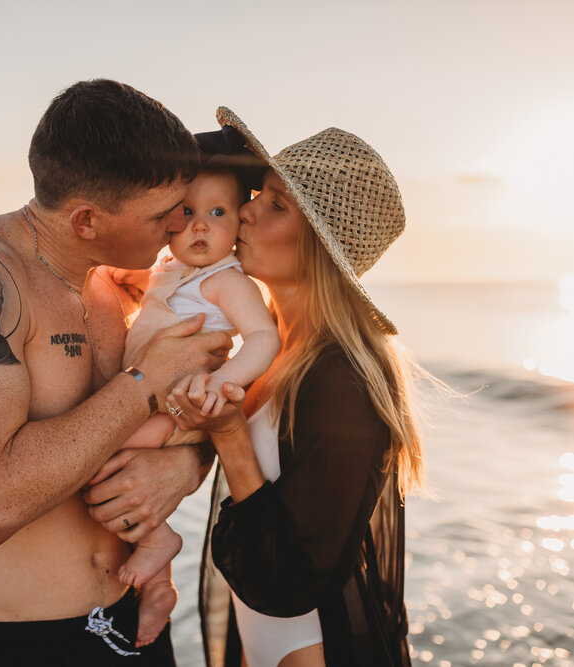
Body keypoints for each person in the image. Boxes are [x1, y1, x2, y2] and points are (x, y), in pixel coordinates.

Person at [0, 80, 231, 666]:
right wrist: (143, 383)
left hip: (133, 626)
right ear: (85, 219)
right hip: (10, 647)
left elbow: (161, 422)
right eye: (162, 213)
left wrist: (184, 466)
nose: (181, 222)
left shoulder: (111, 284)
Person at [168, 108, 426, 667]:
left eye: (277, 205)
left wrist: (230, 435)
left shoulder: (341, 380)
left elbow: (297, 574)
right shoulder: (270, 352)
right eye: (260, 192)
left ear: (319, 248)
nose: (248, 209)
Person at [95, 165, 280, 647]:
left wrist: (223, 381)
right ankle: (159, 582)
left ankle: (160, 542)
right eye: (188, 212)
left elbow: (264, 338)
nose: (200, 225)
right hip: (147, 400)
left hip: (174, 408)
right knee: (120, 474)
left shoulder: (227, 281)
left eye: (217, 213)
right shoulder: (168, 269)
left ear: (239, 225)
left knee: (96, 458)